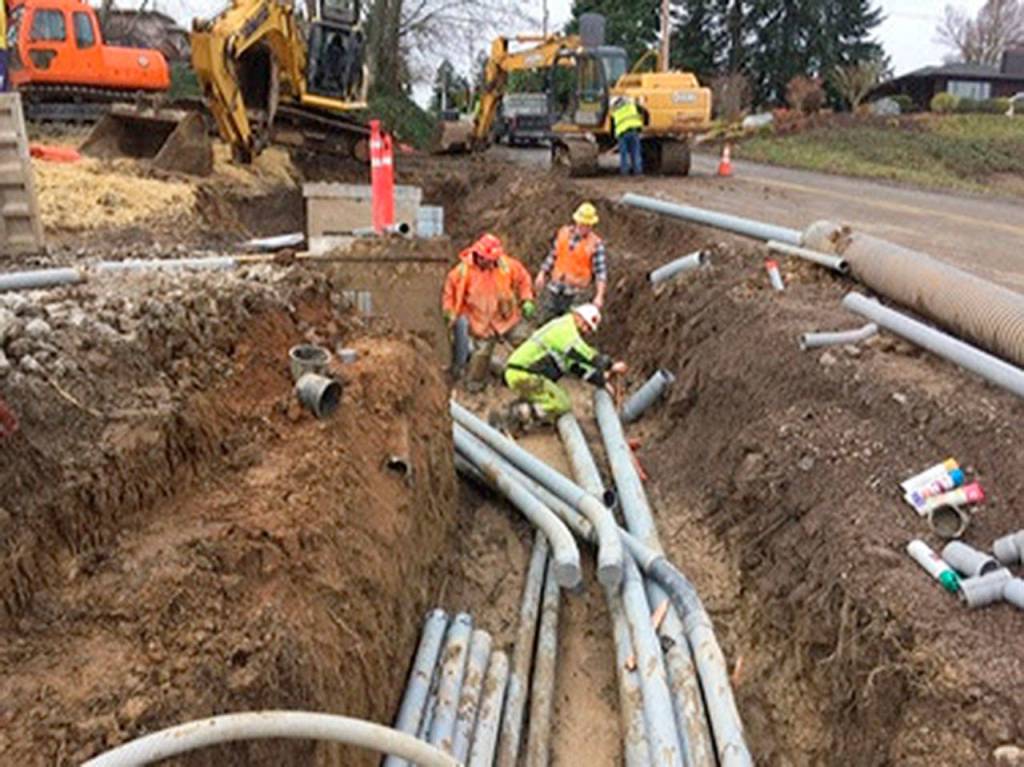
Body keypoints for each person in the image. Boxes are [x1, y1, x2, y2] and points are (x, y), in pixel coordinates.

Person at [499, 303, 626, 428]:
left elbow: (576, 367)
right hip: (525, 373)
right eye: (586, 325)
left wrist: (601, 380)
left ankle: (521, 414)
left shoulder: (566, 335)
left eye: (589, 329)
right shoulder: (565, 329)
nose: (586, 331)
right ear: (577, 316)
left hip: (522, 373)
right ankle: (515, 415)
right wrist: (610, 365)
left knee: (550, 399)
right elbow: (584, 354)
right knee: (562, 403)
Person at [442, 233, 535, 388]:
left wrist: (527, 298)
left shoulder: (506, 265)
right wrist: (449, 311)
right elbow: (449, 293)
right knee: (481, 355)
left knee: (527, 342)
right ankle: (474, 385)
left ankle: (531, 374)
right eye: (489, 259)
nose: (492, 262)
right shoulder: (462, 272)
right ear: (479, 255)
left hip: (507, 318)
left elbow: (523, 278)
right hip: (481, 322)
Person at [534, 202, 608, 322]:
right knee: (546, 321)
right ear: (576, 221)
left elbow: (601, 273)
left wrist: (599, 296)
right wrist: (542, 273)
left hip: (576, 293)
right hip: (555, 287)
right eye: (582, 224)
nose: (583, 227)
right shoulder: (564, 233)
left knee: (570, 324)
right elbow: (553, 255)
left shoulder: (595, 244)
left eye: (587, 225)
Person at [611, 96, 644, 176]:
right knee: (636, 152)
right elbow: (640, 111)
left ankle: (624, 172)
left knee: (624, 154)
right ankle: (638, 172)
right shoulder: (632, 107)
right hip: (634, 132)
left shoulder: (616, 112)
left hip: (622, 134)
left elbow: (613, 124)